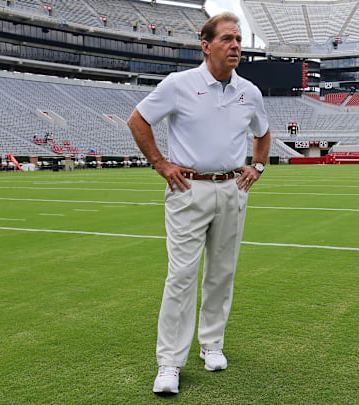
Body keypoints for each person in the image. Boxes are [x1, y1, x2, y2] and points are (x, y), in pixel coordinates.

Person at [127, 12, 270, 395]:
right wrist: (159, 163)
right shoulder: (179, 85)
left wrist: (256, 167)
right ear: (206, 46)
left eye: (238, 39)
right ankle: (170, 363)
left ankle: (212, 345)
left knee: (222, 272)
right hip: (188, 189)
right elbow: (138, 120)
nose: (236, 46)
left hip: (231, 190)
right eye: (226, 39)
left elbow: (263, 132)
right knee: (182, 275)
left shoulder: (249, 92)